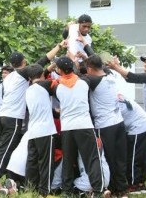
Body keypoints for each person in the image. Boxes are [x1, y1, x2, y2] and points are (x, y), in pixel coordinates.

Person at [0, 41, 65, 192]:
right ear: (24, 62)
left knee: (10, 148)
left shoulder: (9, 77)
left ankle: (12, 180)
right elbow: (42, 61)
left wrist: (52, 67)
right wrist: (59, 47)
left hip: (3, 115)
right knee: (6, 149)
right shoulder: (21, 74)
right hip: (13, 117)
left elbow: (39, 72)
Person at [108, 54, 146, 181]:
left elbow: (133, 76)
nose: (144, 63)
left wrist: (116, 67)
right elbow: (129, 79)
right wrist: (116, 67)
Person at [54, 56, 108, 198]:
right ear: (73, 67)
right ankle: (98, 190)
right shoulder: (84, 82)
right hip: (84, 125)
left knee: (68, 159)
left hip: (67, 128)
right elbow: (79, 76)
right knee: (92, 158)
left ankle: (66, 190)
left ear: (59, 70)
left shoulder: (58, 87)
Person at [85, 55, 128, 197]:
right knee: (120, 158)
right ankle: (122, 189)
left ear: (90, 68)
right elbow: (97, 64)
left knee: (107, 158)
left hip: (104, 125)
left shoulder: (93, 80)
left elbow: (76, 77)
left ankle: (110, 188)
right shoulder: (110, 76)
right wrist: (86, 48)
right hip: (119, 122)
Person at [23, 64, 57, 197]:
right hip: (45, 131)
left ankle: (29, 188)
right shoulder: (45, 85)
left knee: (32, 161)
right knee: (46, 163)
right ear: (42, 75)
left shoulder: (28, 90)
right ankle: (44, 191)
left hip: (32, 131)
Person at [117, 94, 146, 195]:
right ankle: (141, 183)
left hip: (138, 127)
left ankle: (133, 185)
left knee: (133, 158)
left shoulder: (116, 103)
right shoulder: (120, 96)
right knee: (143, 156)